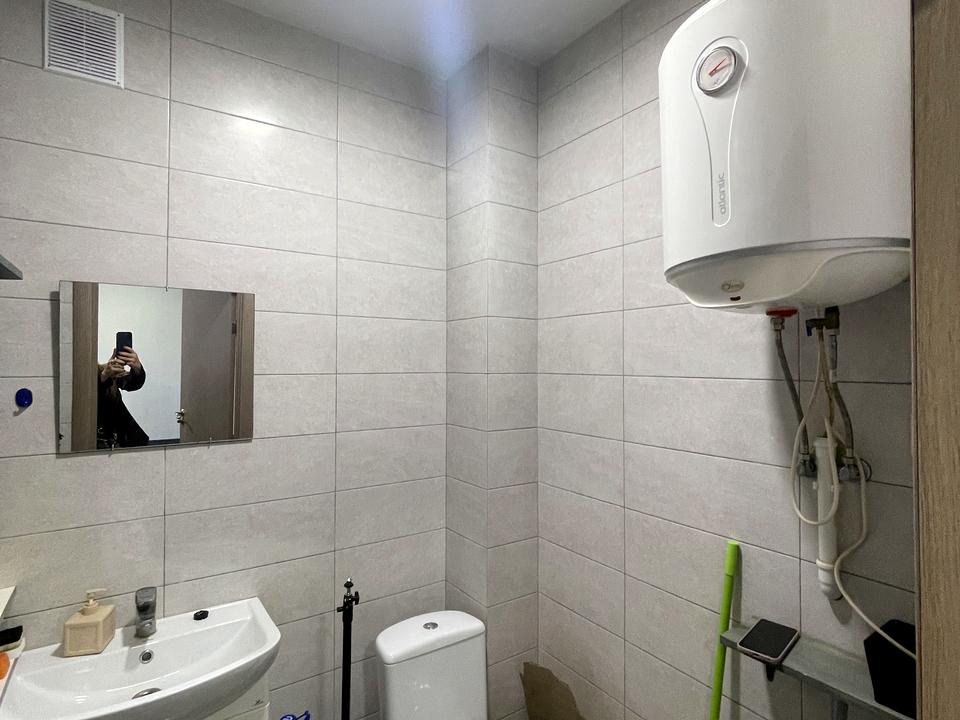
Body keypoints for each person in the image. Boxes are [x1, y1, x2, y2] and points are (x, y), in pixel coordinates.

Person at [97, 346, 149, 448]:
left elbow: (132, 383)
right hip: (98, 444)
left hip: (126, 440)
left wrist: (137, 369)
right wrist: (103, 378)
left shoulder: (105, 370)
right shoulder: (94, 377)